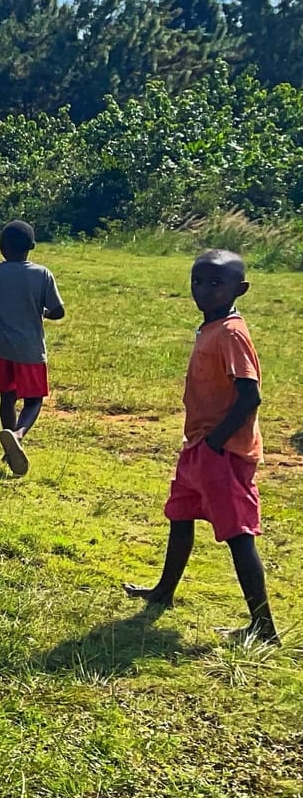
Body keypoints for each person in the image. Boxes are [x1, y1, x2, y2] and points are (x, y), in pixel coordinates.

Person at [124, 250, 278, 645]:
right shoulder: (211, 327)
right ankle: (164, 591)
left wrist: (215, 442)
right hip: (198, 447)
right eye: (198, 282)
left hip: (222, 453)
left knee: (238, 535)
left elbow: (250, 396)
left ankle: (264, 627)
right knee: (181, 516)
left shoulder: (231, 333)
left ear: (239, 289)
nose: (204, 291)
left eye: (216, 284)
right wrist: (202, 444)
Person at [0, 220, 65, 476]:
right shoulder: (41, 274)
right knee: (34, 400)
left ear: (1, 247)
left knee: (7, 397)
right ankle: (18, 435)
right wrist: (43, 312)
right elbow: (58, 311)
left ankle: (8, 448)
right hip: (30, 349)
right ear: (32, 247)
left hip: (0, 348)